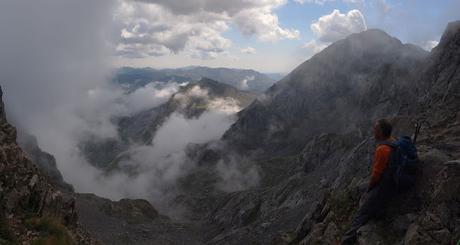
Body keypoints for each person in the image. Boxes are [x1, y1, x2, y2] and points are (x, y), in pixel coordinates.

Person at [341, 119, 396, 244]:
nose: (373, 131)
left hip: (384, 186)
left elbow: (376, 176)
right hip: (391, 180)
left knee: (360, 215)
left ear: (381, 132)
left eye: (375, 129)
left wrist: (369, 189)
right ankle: (377, 211)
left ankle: (346, 240)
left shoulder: (382, 149)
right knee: (360, 188)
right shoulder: (393, 141)